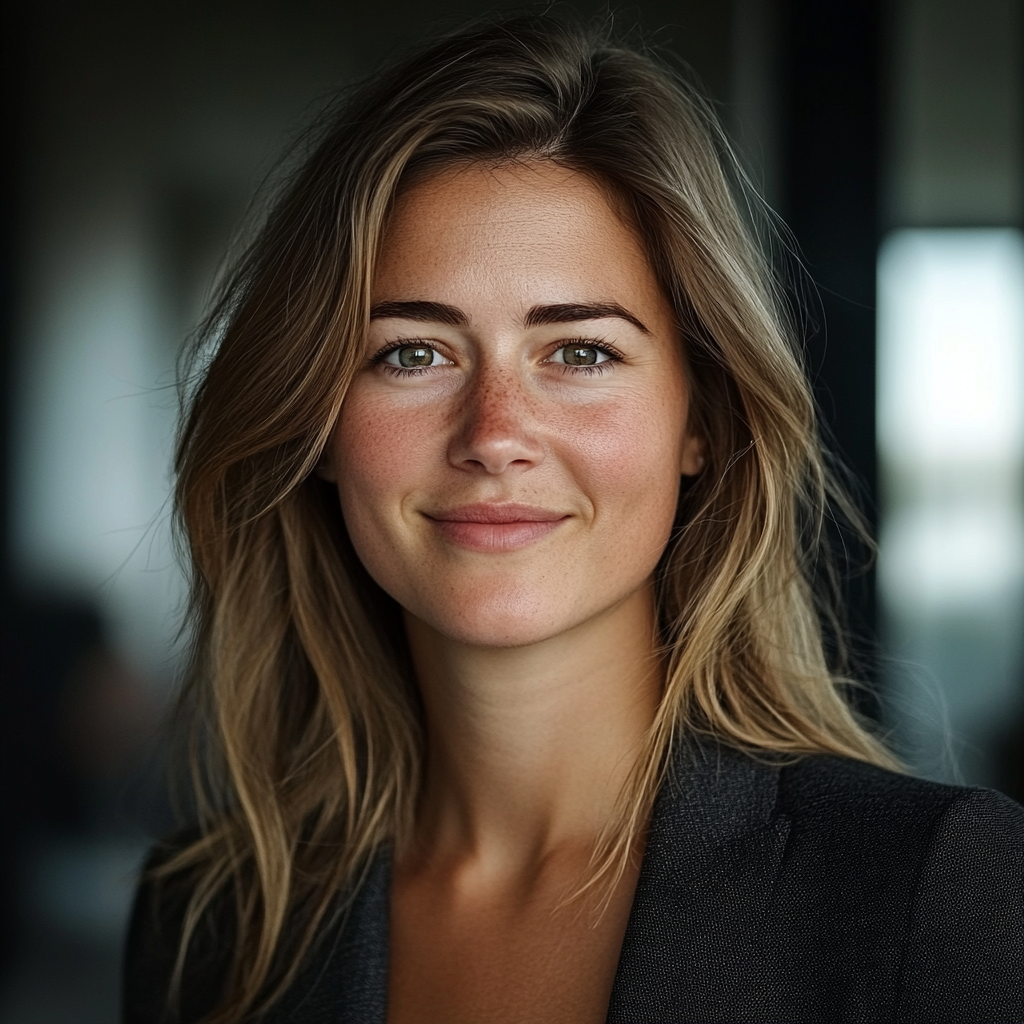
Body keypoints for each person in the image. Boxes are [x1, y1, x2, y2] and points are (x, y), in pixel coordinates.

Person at [123, 14, 1023, 1024]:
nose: (495, 434)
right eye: (411, 353)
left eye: (580, 352)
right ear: (319, 426)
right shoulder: (205, 920)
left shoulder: (928, 890)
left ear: (702, 420)